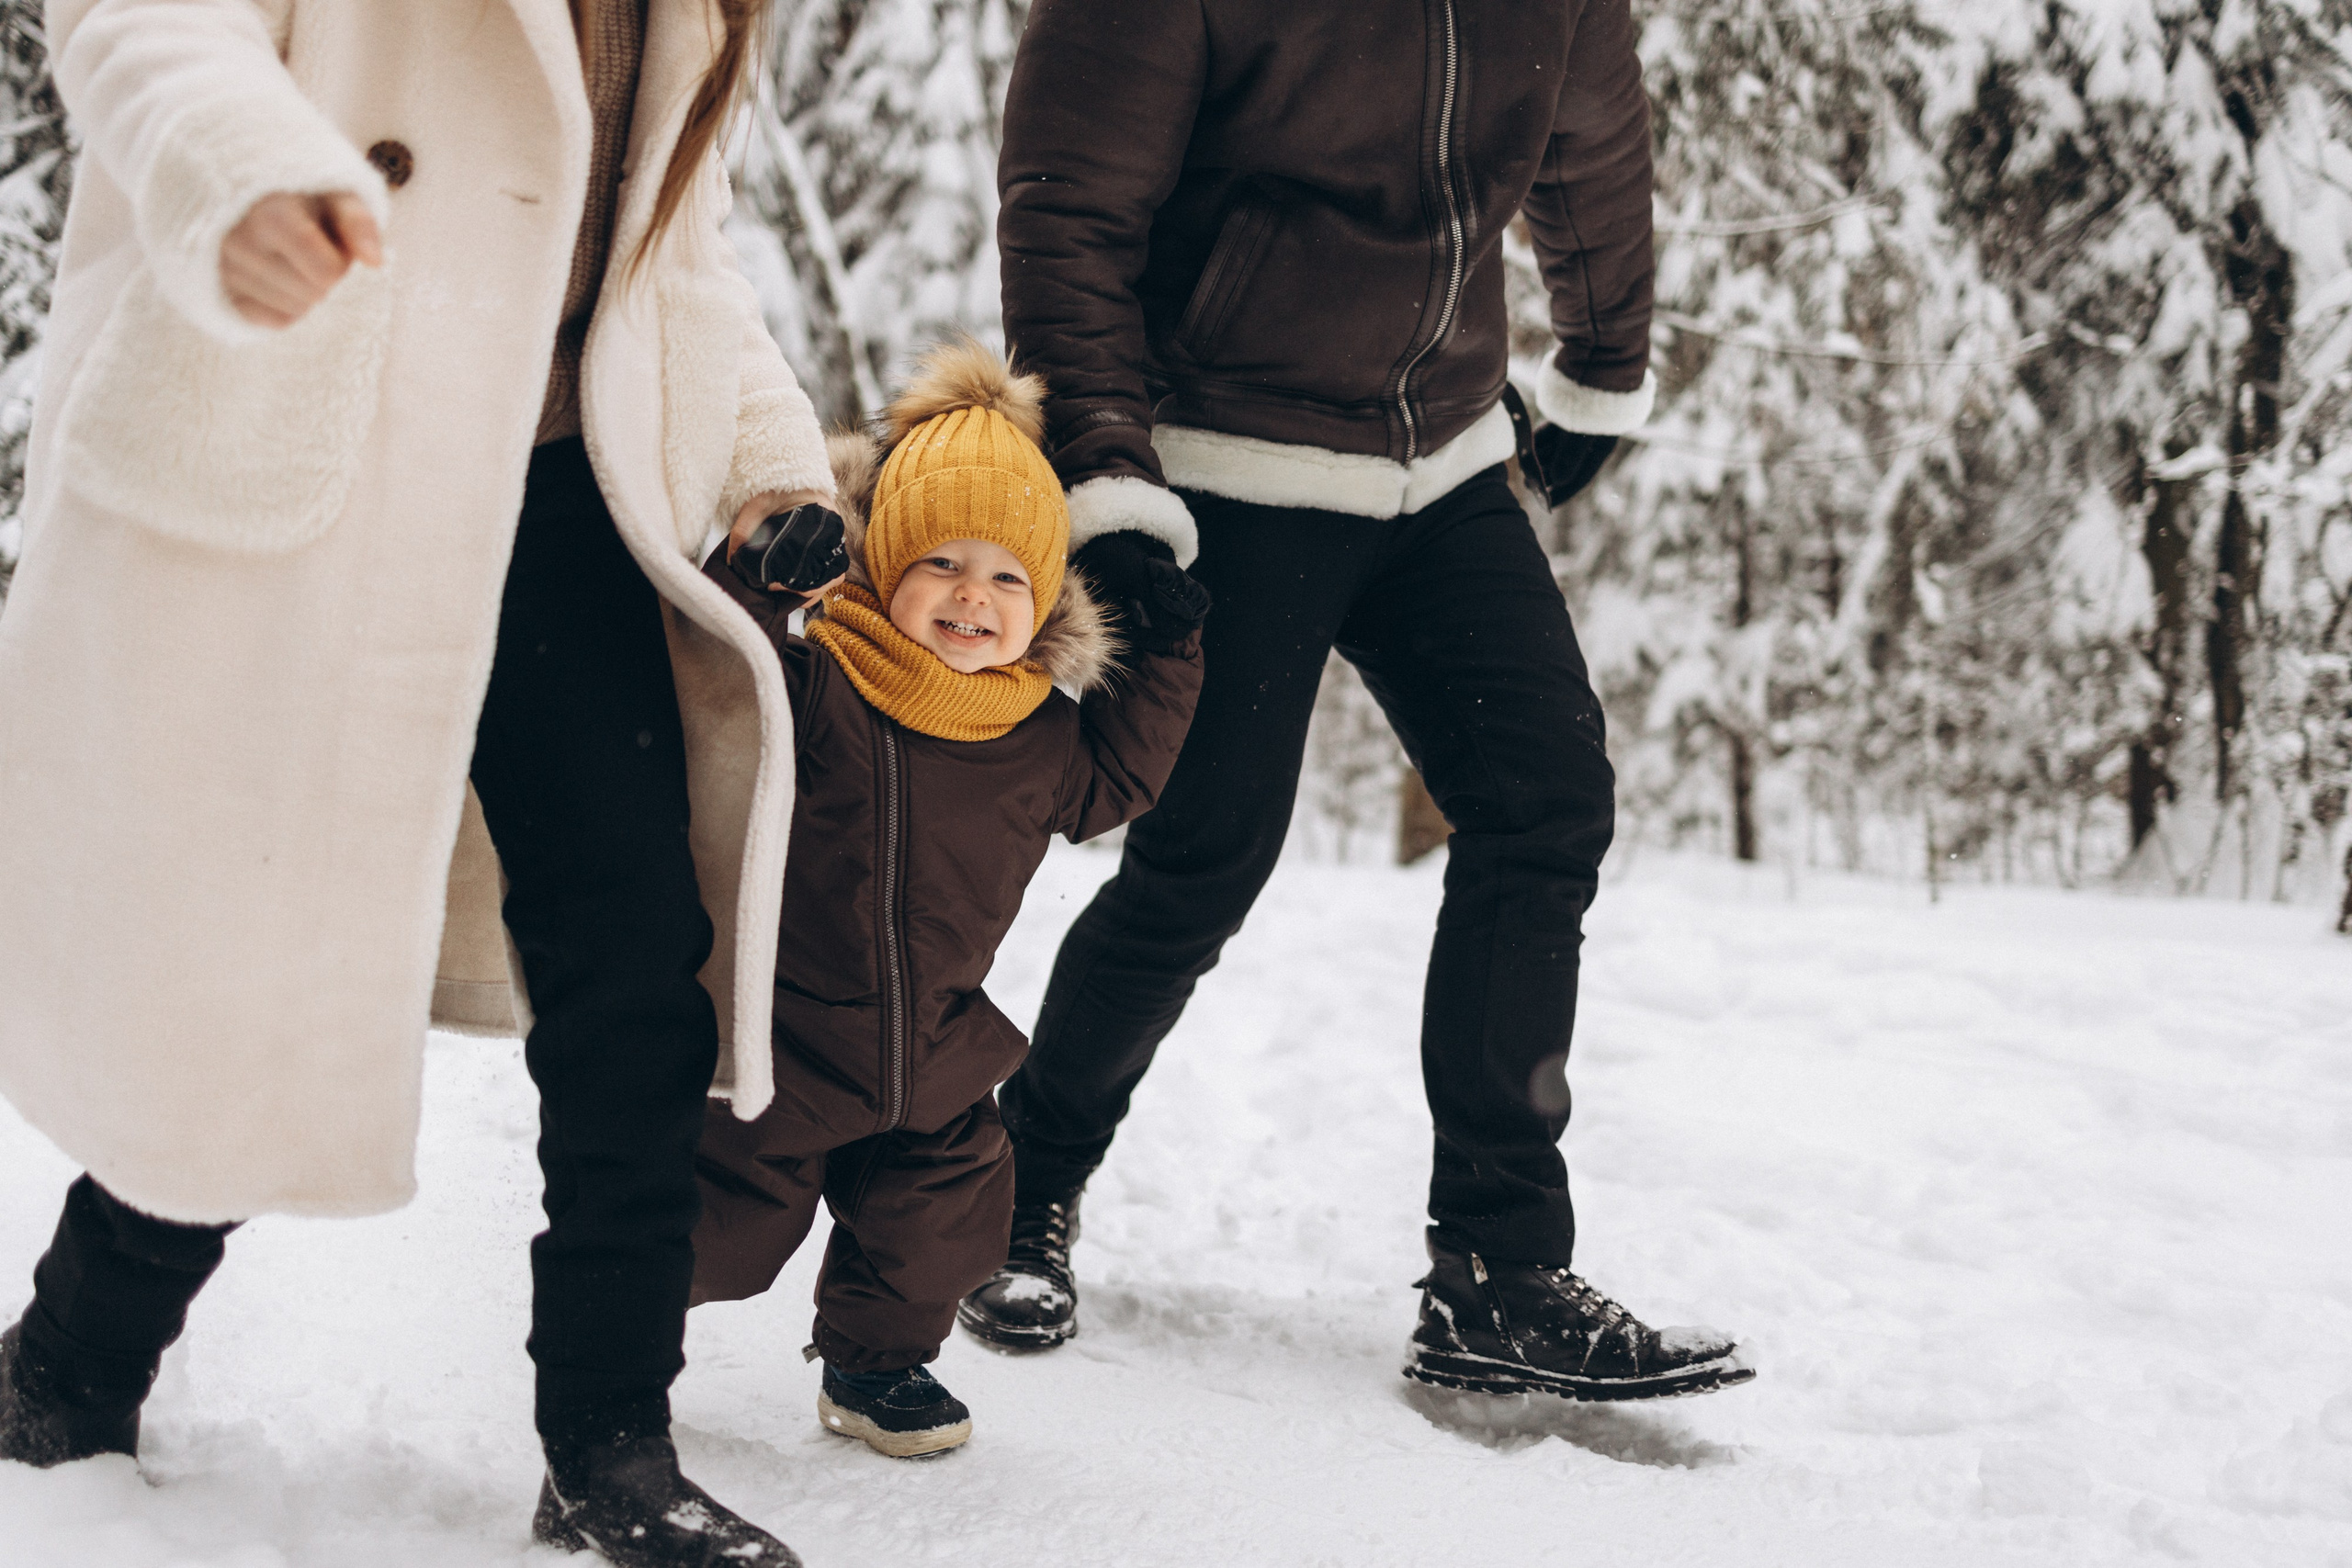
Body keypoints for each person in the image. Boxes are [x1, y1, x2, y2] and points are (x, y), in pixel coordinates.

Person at [0, 4, 839, 1562]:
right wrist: (242, 168)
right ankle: (72, 1357)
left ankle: (610, 1444)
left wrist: (773, 460)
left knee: (639, 972)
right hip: (333, 470)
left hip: (565, 498)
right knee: (269, 952)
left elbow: (674, 257)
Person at [959, 0, 1758, 1402]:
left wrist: (1602, 364)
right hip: (1228, 460)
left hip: (1441, 463)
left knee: (1545, 801)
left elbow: (1591, 135)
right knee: (1205, 857)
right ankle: (1014, 1184)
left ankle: (1498, 1270)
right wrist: (1108, 471)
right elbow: (1070, 214)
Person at [688, 343, 1206, 1459]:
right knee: (719, 1230)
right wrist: (757, 581)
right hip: (782, 1036)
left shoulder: (1042, 735)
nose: (974, 594)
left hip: (934, 1041)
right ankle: (617, 1332)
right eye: (941, 563)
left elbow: (1122, 781)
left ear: (1045, 599)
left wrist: (1169, 650)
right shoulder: (821, 680)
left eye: (1009, 577)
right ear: (881, 562)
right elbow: (719, 683)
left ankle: (875, 1370)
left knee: (944, 1219)